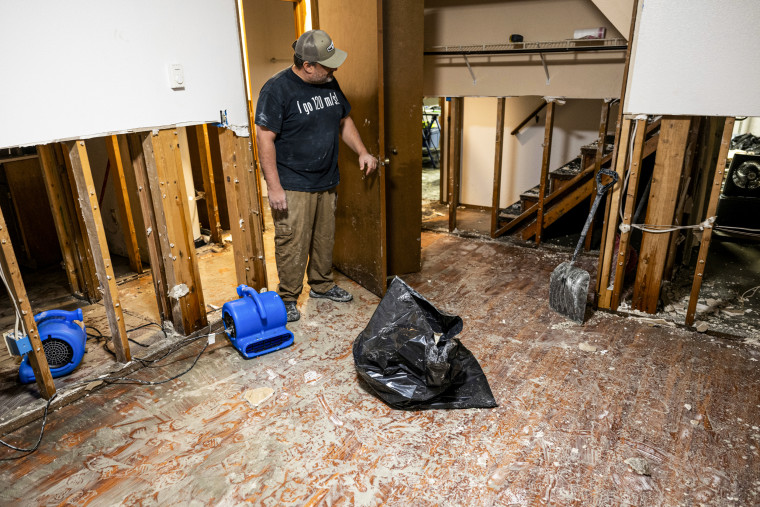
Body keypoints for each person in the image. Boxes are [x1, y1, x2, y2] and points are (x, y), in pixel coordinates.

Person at [255, 29, 378, 322]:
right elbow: (264, 138)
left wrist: (362, 151)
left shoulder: (328, 82)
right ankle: (287, 297)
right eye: (328, 65)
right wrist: (274, 188)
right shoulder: (277, 90)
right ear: (308, 65)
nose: (334, 70)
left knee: (324, 238)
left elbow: (343, 119)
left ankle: (321, 285)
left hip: (327, 179)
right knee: (292, 241)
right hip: (293, 183)